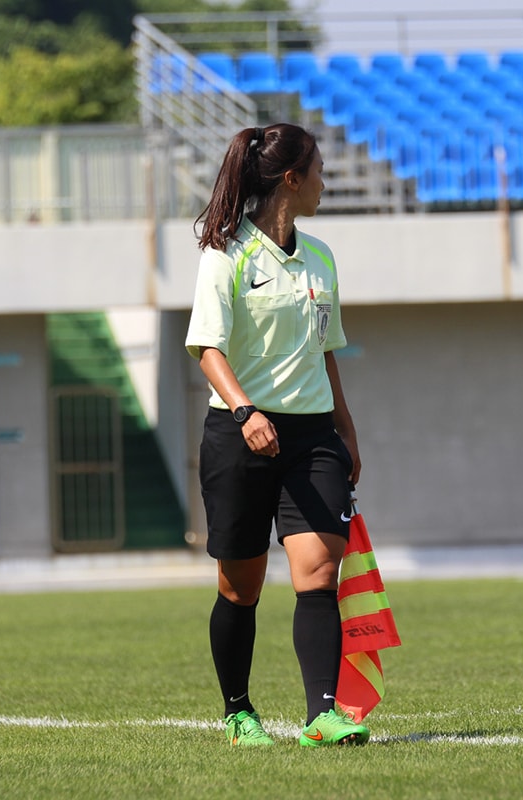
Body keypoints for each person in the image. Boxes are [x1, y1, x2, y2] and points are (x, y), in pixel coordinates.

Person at [185, 123, 368, 748]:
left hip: (312, 437)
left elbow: (325, 350)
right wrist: (245, 413)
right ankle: (239, 712)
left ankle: (322, 715)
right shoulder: (225, 254)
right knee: (241, 586)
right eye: (319, 172)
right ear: (291, 178)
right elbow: (207, 348)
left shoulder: (321, 257)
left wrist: (345, 429)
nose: (324, 184)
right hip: (239, 434)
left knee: (319, 572)